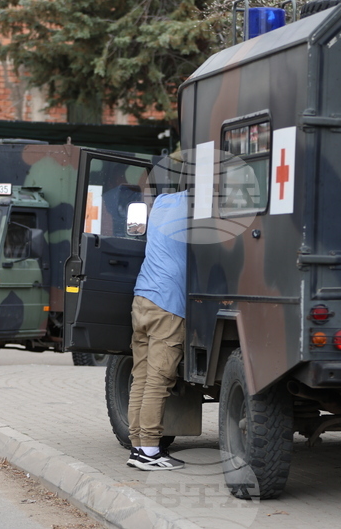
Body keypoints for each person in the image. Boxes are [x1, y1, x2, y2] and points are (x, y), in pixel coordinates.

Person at [125, 186, 189, 471]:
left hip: (142, 298)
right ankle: (150, 451)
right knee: (158, 380)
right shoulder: (196, 206)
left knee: (141, 376)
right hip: (168, 303)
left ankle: (137, 446)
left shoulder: (162, 203)